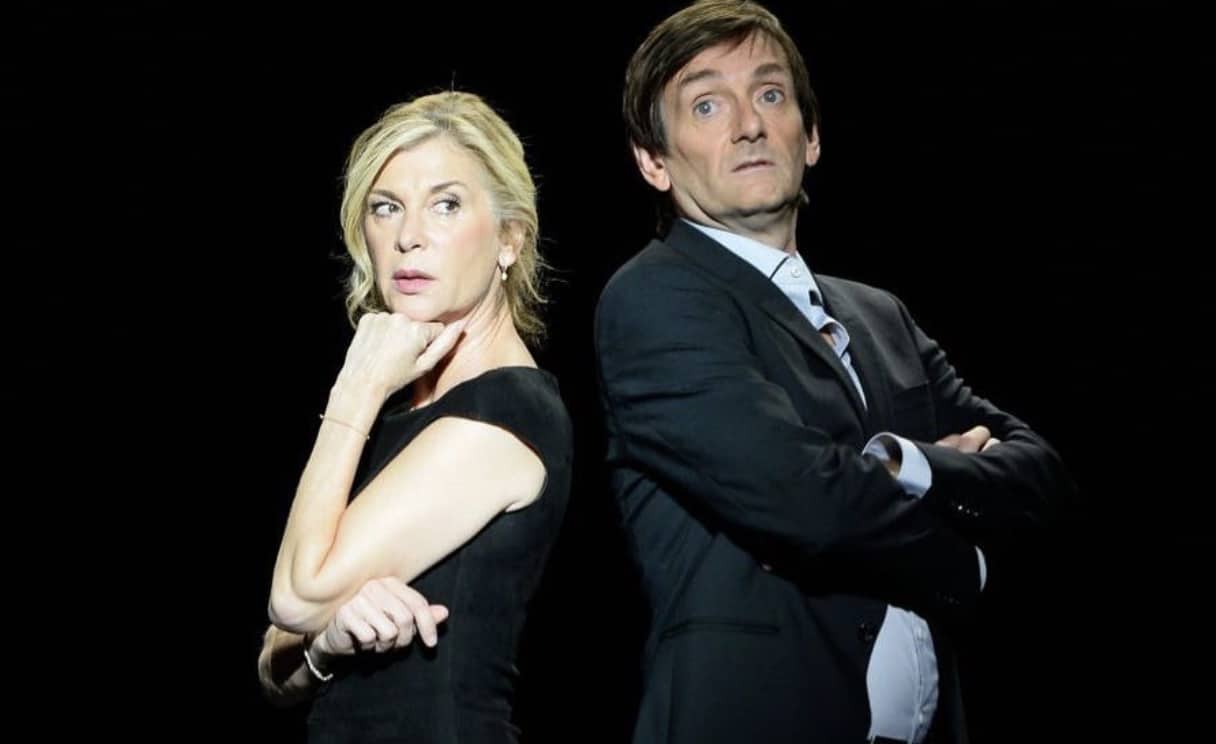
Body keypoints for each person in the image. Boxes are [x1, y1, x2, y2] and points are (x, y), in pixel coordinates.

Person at [593, 2, 1075, 742]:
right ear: (653, 161)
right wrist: (963, 560)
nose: (748, 125)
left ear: (811, 136)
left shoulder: (881, 315)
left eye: (770, 94)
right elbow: (799, 496)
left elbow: (1040, 475)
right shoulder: (655, 296)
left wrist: (905, 463)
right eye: (707, 105)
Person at [256, 90, 572, 743]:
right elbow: (274, 665)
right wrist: (326, 645)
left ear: (510, 238)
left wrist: (356, 388)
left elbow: (295, 596)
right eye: (386, 207)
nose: (408, 237)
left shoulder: (505, 411)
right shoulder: (407, 411)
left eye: (446, 204)